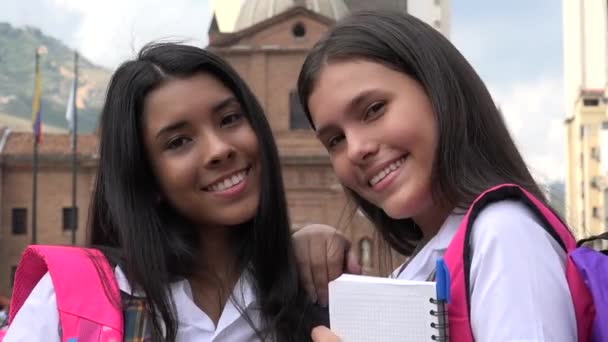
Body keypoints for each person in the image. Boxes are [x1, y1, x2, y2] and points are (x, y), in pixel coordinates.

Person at [295, 10, 591, 342]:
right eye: (335, 139)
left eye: (374, 109)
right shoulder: (423, 262)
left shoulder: (503, 235)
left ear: (438, 90)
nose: (355, 149)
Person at [3, 42, 327, 341]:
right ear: (145, 178)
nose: (219, 149)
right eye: (178, 142)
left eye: (229, 119)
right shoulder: (69, 301)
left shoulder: (315, 290)